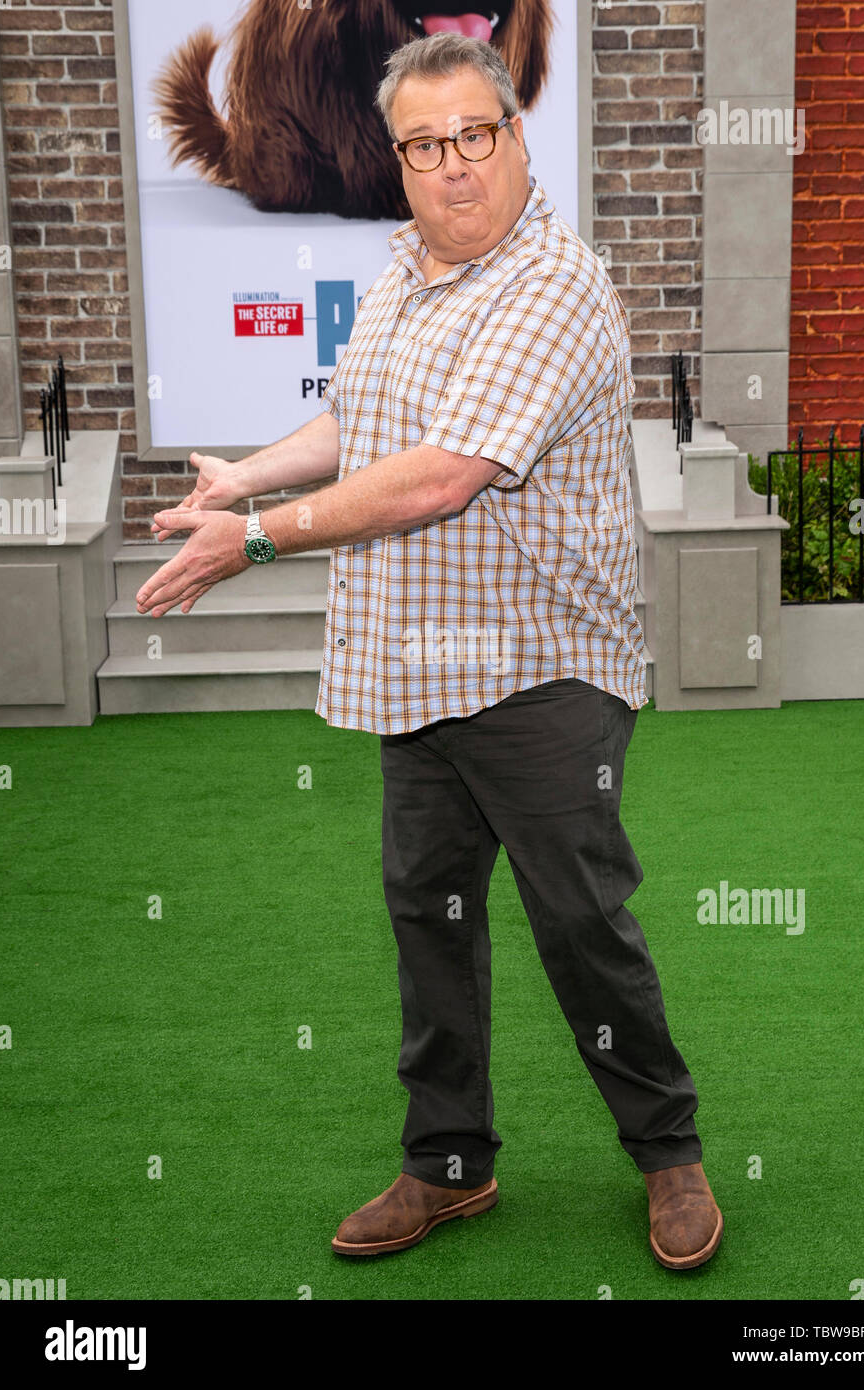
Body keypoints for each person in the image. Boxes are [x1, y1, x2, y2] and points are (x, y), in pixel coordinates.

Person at [135, 32, 723, 1272]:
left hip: (541, 670)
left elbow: (442, 474)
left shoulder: (554, 284)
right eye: (423, 145)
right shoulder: (405, 269)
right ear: (396, 161)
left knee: (581, 924)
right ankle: (448, 1164)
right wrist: (244, 476)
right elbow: (362, 425)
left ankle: (668, 1155)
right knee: (429, 918)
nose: (452, 165)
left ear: (515, 138)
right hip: (417, 666)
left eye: (473, 135)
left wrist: (255, 538)